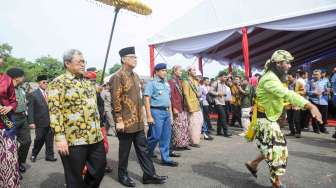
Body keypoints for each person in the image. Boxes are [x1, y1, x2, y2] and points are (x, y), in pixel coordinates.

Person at [245, 50, 322, 188]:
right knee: (279, 150)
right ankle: (276, 182)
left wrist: (289, 103)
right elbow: (286, 94)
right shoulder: (270, 78)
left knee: (269, 148)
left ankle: (253, 163)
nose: (289, 65)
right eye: (287, 62)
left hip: (267, 119)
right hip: (265, 121)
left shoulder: (273, 76)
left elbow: (279, 97)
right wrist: (309, 105)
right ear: (279, 63)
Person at [48, 49, 106, 188]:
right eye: (79, 62)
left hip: (95, 136)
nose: (83, 64)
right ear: (67, 63)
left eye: (84, 61)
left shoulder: (87, 82)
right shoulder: (58, 83)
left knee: (99, 170)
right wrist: (60, 137)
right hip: (73, 139)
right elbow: (55, 112)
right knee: (74, 178)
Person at [110, 46, 167, 187]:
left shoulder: (135, 76)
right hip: (126, 122)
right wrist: (118, 120)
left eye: (135, 57)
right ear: (124, 59)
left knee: (143, 149)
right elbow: (115, 100)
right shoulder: (117, 76)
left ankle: (149, 175)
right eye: (132, 57)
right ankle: (122, 175)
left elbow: (139, 98)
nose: (135, 59)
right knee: (124, 152)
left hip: (138, 121)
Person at [144, 63, 179, 167]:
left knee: (166, 136)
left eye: (165, 70)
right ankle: (146, 153)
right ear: (157, 72)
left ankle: (166, 159)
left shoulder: (166, 83)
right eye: (163, 70)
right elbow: (146, 99)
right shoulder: (152, 84)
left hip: (166, 112)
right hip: (156, 111)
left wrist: (173, 109)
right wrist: (149, 116)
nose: (165, 72)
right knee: (155, 136)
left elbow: (168, 98)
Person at [7, 68, 31, 178]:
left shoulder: (21, 88)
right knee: (12, 145)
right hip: (11, 119)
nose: (24, 78)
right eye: (22, 76)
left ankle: (19, 162)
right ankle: (14, 169)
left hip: (22, 117)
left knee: (27, 141)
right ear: (16, 77)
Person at [0, 54, 20, 187]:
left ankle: (9, 184)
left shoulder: (7, 79)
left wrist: (9, 107)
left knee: (8, 157)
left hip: (6, 123)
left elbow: (14, 100)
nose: (1, 61)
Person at [28, 75, 57, 162]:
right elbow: (30, 110)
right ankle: (34, 154)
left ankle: (49, 155)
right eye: (44, 82)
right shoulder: (33, 94)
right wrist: (31, 122)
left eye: (47, 82)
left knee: (50, 139)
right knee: (39, 139)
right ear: (39, 83)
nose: (46, 84)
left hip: (50, 121)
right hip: (40, 121)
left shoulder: (50, 93)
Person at [168, 65, 191, 150]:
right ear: (175, 71)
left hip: (182, 106)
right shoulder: (171, 81)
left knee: (184, 125)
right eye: (180, 71)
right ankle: (177, 144)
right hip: (177, 106)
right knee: (178, 126)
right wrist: (174, 107)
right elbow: (172, 96)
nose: (181, 72)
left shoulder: (179, 81)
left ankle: (184, 143)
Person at [182, 66, 204, 147]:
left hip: (197, 105)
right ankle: (193, 141)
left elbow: (198, 93)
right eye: (193, 70)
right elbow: (186, 94)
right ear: (189, 71)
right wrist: (190, 106)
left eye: (195, 70)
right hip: (191, 106)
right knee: (193, 124)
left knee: (199, 122)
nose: (195, 71)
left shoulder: (195, 81)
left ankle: (195, 139)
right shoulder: (186, 81)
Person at [209, 72, 232, 137]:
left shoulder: (225, 83)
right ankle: (226, 132)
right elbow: (210, 91)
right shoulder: (216, 83)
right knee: (223, 116)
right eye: (224, 77)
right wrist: (218, 93)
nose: (225, 78)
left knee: (220, 117)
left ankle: (219, 132)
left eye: (226, 77)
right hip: (217, 102)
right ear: (220, 77)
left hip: (224, 102)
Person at [307, 69, 330, 134]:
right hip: (313, 101)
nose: (315, 76)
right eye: (314, 74)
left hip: (323, 101)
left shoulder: (326, 81)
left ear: (320, 75)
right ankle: (315, 128)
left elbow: (328, 89)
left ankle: (322, 128)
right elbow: (306, 91)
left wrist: (327, 91)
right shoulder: (310, 82)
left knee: (323, 116)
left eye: (317, 74)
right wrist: (314, 92)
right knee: (314, 115)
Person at [285, 72, 303, 138]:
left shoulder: (299, 83)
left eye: (289, 78)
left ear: (293, 77)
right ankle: (292, 132)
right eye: (288, 78)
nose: (288, 79)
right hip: (288, 103)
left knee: (296, 119)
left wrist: (295, 93)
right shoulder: (286, 84)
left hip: (296, 103)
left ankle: (298, 132)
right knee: (289, 119)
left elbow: (303, 91)